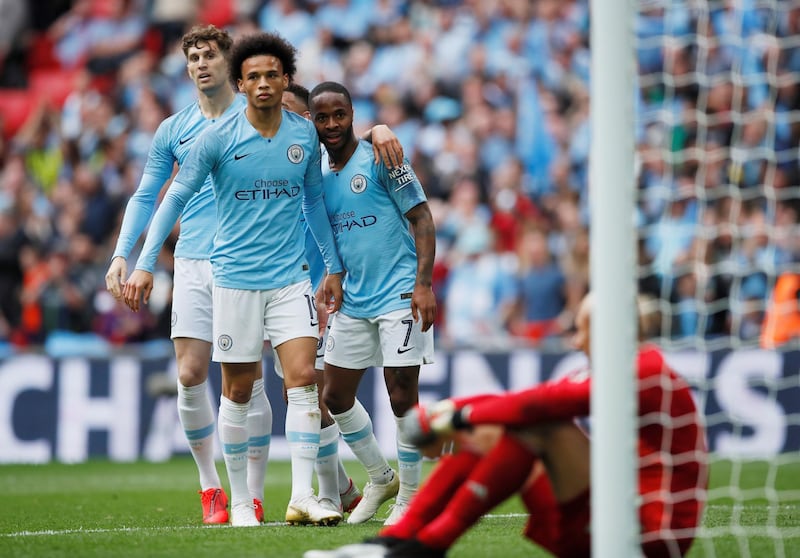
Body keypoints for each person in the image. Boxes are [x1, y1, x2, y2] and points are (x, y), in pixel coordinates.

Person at [123, 32, 345, 528]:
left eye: (273, 75)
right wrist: (141, 260)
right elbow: (172, 198)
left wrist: (332, 266)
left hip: (290, 278)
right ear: (241, 84)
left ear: (286, 80)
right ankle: (239, 500)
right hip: (233, 280)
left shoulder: (303, 134)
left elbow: (313, 201)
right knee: (239, 389)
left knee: (304, 379)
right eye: (255, 77)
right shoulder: (215, 138)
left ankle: (304, 495)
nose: (264, 84)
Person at [304, 291, 708, 557]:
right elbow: (529, 401)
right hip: (610, 521)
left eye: (583, 330)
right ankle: (397, 544)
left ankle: (417, 547)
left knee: (540, 426)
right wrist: (453, 414)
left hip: (647, 538)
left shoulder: (646, 369)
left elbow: (543, 403)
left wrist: (450, 416)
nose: (576, 342)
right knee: (505, 429)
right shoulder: (633, 365)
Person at [103, 24, 272, 526]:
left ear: (229, 60)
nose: (200, 64)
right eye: (193, 57)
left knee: (246, 378)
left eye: (209, 55)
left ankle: (254, 493)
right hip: (194, 261)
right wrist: (122, 256)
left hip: (247, 259)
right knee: (190, 373)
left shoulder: (259, 120)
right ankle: (210, 487)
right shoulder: (174, 130)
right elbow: (145, 196)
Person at [307, 81, 437, 526]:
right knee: (336, 396)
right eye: (322, 118)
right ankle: (381, 478)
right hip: (355, 300)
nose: (331, 125)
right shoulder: (318, 176)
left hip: (401, 294)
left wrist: (424, 284)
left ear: (352, 113)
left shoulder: (382, 156)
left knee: (402, 395)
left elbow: (421, 217)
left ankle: (412, 497)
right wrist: (333, 274)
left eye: (339, 114)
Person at [278, 82, 403, 516]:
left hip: (327, 286)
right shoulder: (274, 158)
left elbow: (351, 150)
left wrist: (378, 130)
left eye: (295, 114)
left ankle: (332, 493)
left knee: (310, 385)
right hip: (282, 282)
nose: (290, 122)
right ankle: (341, 489)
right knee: (303, 390)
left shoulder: (321, 158)